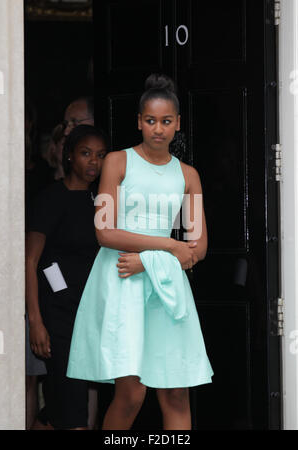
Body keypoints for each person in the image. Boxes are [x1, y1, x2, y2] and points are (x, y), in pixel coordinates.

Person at [66, 74, 214, 430]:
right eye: (150, 121)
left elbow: (198, 248)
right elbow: (105, 232)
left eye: (166, 121)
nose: (158, 129)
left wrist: (148, 259)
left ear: (178, 123)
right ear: (138, 122)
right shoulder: (117, 162)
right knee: (131, 394)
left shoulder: (188, 175)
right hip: (122, 281)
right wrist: (166, 245)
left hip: (164, 288)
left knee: (175, 394)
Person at [26, 125, 108, 430]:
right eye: (86, 153)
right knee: (73, 410)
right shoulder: (51, 198)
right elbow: (30, 260)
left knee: (64, 408)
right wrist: (36, 322)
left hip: (89, 313)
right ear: (69, 156)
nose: (93, 163)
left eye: (100, 156)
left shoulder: (99, 201)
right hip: (58, 316)